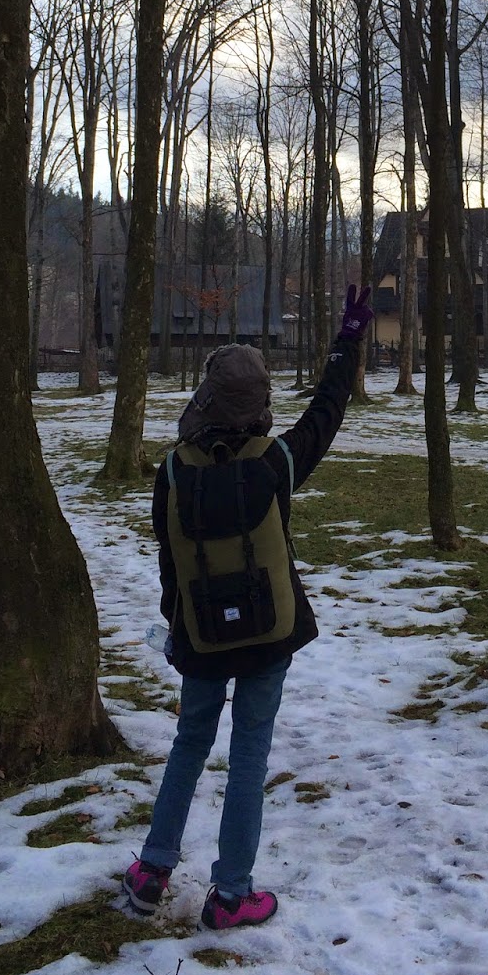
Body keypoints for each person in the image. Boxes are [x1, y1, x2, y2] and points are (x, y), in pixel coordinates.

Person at [123, 285, 373, 931]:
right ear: (259, 403)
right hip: (269, 634)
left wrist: (179, 629)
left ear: (205, 398)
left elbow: (169, 560)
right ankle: (232, 895)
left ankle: (151, 870)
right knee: (249, 757)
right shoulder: (276, 463)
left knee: (189, 744)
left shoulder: (173, 472)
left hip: (201, 637)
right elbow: (326, 412)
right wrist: (346, 342)